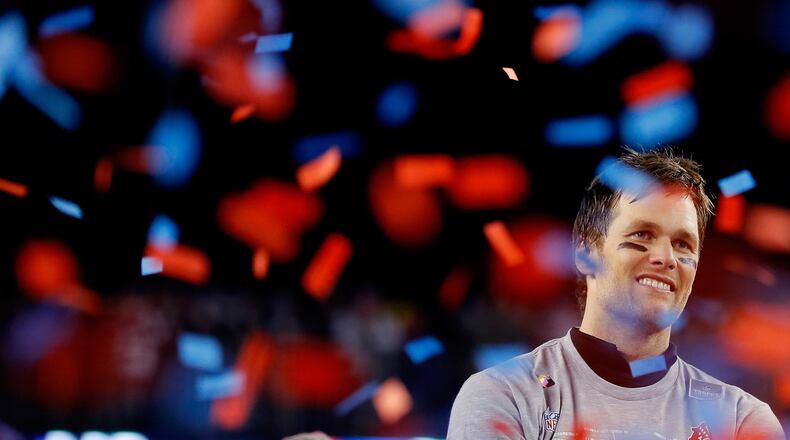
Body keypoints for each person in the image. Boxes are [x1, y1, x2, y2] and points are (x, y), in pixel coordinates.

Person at [447, 147, 785, 439]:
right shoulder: (506, 397)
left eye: (682, 244)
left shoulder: (744, 416)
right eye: (641, 236)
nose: (664, 258)